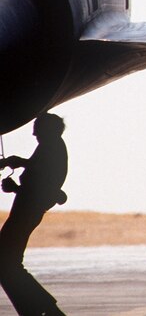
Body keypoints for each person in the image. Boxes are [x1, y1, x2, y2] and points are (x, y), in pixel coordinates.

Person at [0, 113, 68, 316]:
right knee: (8, 262)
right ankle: (42, 308)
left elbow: (41, 187)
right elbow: (40, 173)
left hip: (26, 212)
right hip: (26, 211)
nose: (34, 135)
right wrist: (20, 162)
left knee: (6, 262)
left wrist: (15, 188)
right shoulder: (51, 147)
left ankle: (40, 309)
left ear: (47, 131)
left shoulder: (52, 148)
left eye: (38, 130)